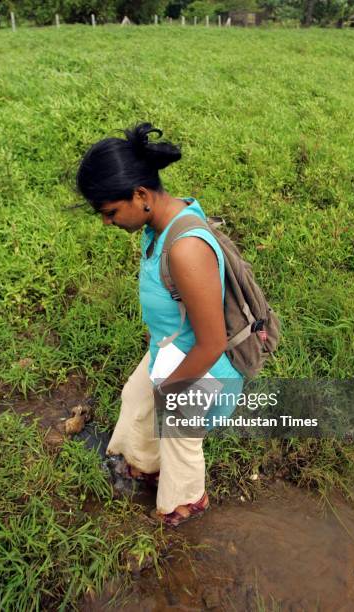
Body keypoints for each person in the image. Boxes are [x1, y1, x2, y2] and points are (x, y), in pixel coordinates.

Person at [76, 122, 243, 526]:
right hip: (172, 352)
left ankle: (185, 505)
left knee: (177, 435)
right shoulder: (158, 223)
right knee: (135, 401)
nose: (107, 222)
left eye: (111, 213)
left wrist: (170, 392)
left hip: (208, 367)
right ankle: (144, 471)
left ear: (140, 195)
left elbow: (212, 344)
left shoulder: (185, 249)